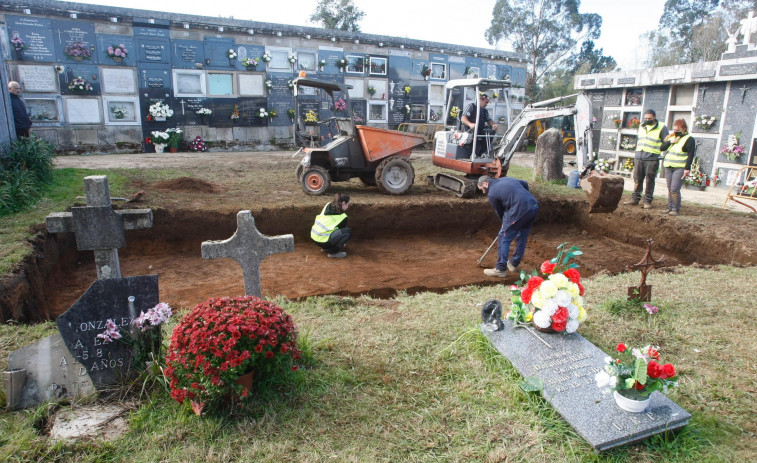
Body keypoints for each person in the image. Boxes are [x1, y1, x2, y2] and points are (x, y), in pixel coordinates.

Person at [477, 176, 539, 278]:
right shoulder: (506, 179)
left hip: (519, 211)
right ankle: (513, 263)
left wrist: (504, 224)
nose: (483, 192)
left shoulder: (492, 193)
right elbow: (524, 183)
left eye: (482, 189)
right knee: (522, 236)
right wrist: (524, 198)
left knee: (503, 237)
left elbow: (499, 211)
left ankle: (500, 269)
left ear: (485, 184)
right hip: (533, 207)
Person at [624, 109, 668, 208]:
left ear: (654, 117)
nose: (647, 120)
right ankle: (635, 199)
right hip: (639, 156)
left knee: (649, 180)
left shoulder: (662, 127)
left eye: (650, 118)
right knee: (637, 178)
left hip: (652, 157)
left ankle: (647, 201)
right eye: (646, 118)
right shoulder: (641, 126)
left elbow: (666, 142)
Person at [660, 119, 696, 216]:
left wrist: (687, 169)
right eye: (674, 129)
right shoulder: (671, 137)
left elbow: (690, 155)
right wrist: (671, 141)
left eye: (678, 130)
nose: (675, 131)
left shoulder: (689, 139)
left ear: (684, 129)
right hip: (668, 166)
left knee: (674, 188)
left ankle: (675, 208)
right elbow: (662, 148)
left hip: (679, 167)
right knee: (669, 188)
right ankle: (669, 206)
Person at [311, 193, 352, 258]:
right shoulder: (343, 217)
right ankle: (333, 252)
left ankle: (326, 248)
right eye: (348, 204)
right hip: (323, 240)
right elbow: (340, 232)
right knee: (347, 232)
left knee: (334, 232)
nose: (348, 206)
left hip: (314, 237)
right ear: (344, 203)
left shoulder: (328, 205)